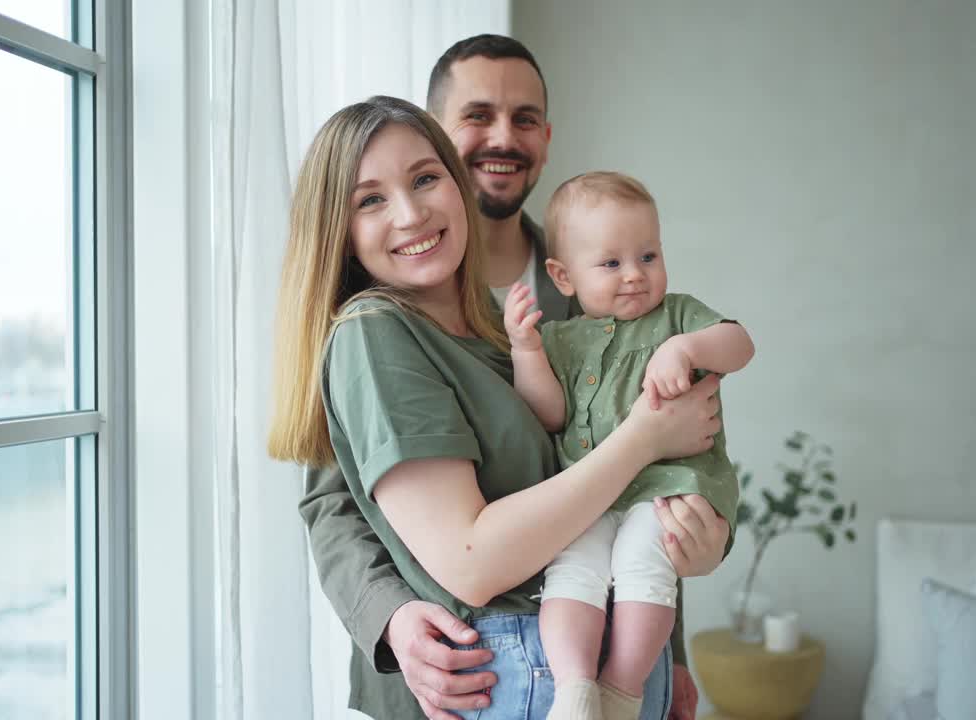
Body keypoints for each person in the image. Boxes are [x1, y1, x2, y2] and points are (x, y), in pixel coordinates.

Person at [299, 36, 732, 720]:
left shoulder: (594, 278)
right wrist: (391, 617)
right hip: (473, 663)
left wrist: (673, 628)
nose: (503, 136)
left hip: (608, 646)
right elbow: (339, 500)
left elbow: (636, 480)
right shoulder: (377, 329)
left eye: (524, 118)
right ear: (443, 132)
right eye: (479, 114)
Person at [502, 171, 753, 720]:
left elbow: (740, 344)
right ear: (563, 277)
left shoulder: (678, 316)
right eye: (611, 264)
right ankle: (574, 688)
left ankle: (620, 687)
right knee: (572, 571)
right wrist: (525, 350)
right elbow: (551, 412)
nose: (635, 276)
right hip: (588, 495)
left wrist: (686, 349)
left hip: (664, 492)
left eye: (648, 256)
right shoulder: (560, 340)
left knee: (644, 566)